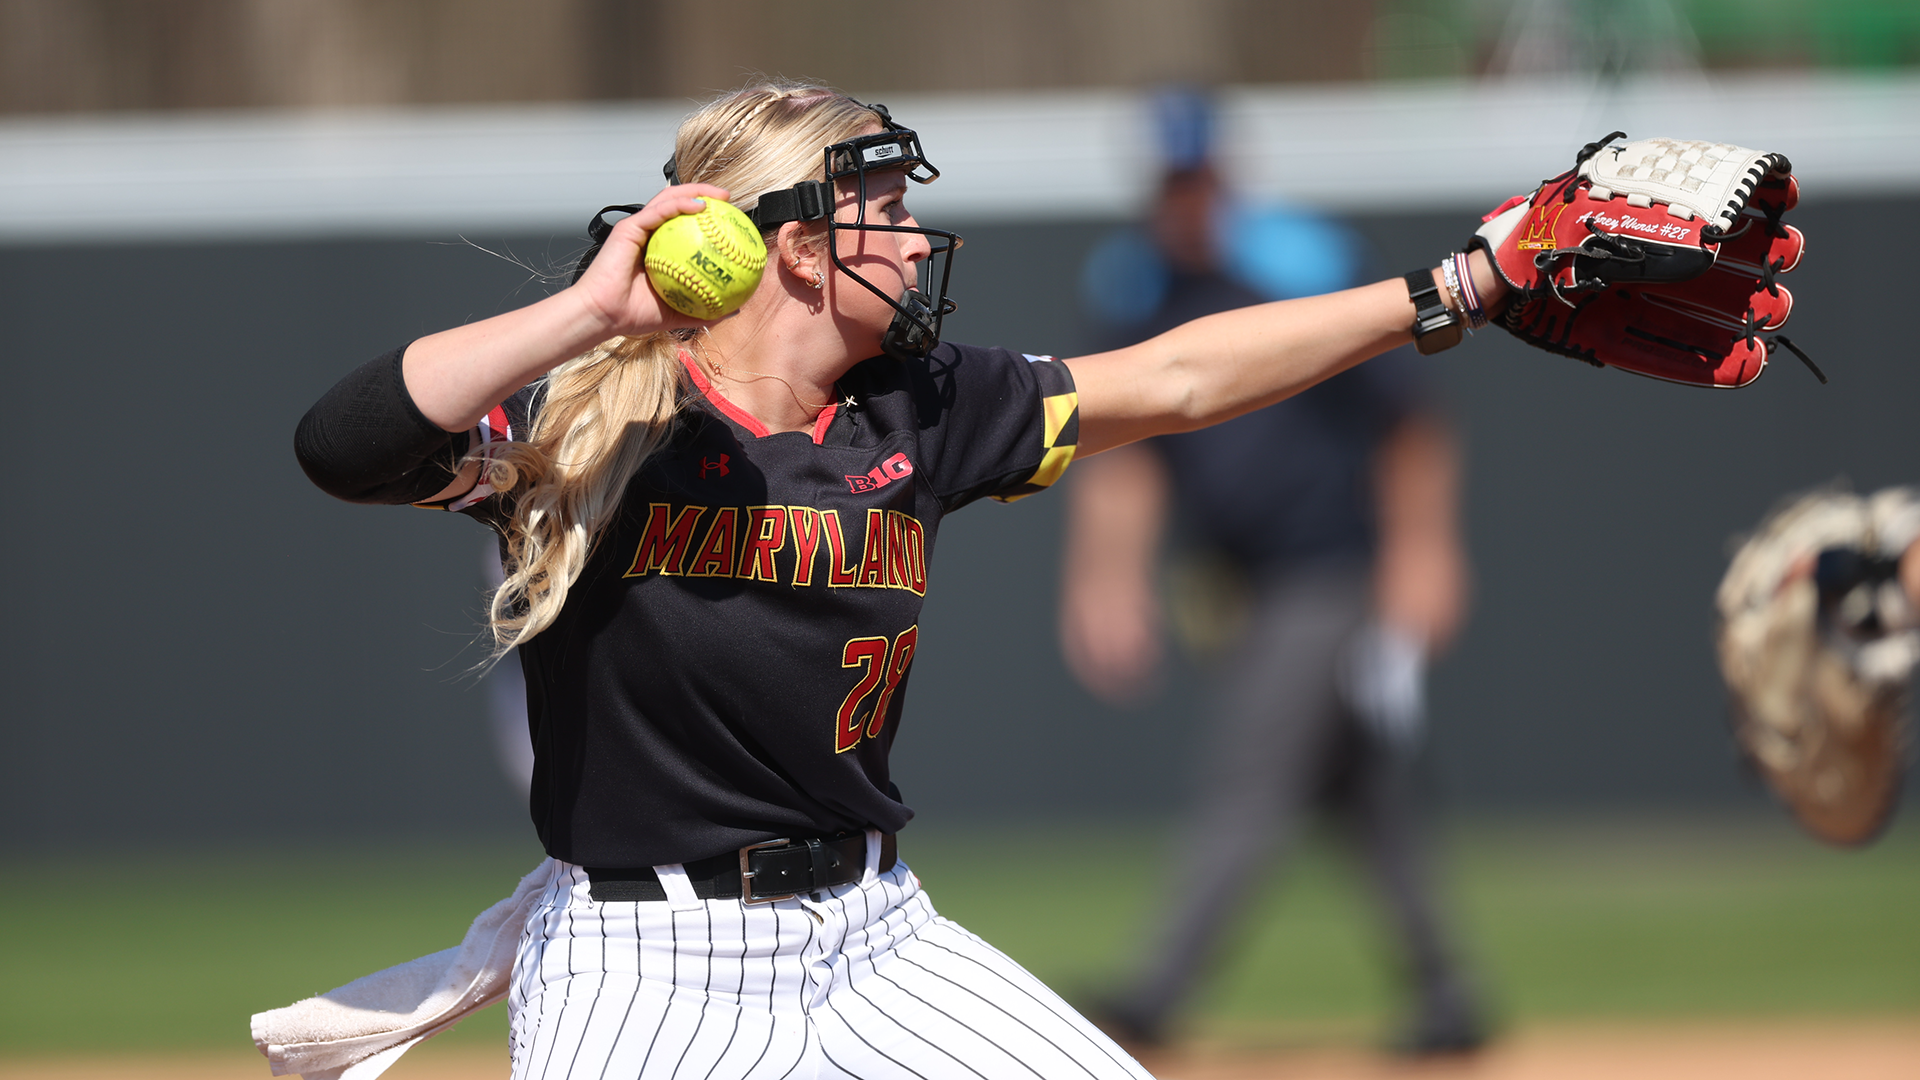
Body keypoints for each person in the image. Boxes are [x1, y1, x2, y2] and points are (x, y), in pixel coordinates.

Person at [292, 80, 1509, 1079]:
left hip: (877, 934)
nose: (920, 238)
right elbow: (341, 446)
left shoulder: (918, 407)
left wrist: (1452, 292)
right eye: (883, 209)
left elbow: (1182, 378)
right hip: (646, 959)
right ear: (798, 248)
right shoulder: (598, 421)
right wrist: (587, 312)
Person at [1060, 150, 1486, 1054]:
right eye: (1170, 184)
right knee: (1358, 790)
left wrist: (1424, 549)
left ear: (1224, 184)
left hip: (1329, 570)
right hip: (1242, 578)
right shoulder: (1140, 288)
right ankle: (1451, 996)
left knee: (1250, 778)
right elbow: (1128, 455)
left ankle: (1151, 997)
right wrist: (1107, 577)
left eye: (1198, 181)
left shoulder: (1296, 269)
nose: (1186, 201)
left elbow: (1409, 421)